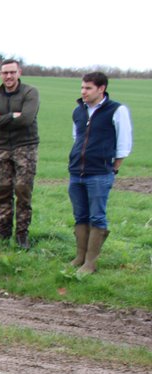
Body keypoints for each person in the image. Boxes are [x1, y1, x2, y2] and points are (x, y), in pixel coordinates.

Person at [68, 71, 133, 275]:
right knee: (80, 215)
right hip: (77, 171)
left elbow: (123, 143)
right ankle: (80, 256)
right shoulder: (78, 111)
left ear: (101, 88)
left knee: (97, 217)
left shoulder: (116, 110)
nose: (83, 92)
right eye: (82, 87)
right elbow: (76, 138)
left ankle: (90, 262)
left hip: (100, 172)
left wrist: (113, 169)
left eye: (88, 88)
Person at [0, 59, 40, 249]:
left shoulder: (30, 93)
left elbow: (26, 119)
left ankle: (22, 235)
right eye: (5, 73)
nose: (8, 76)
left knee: (23, 191)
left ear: (19, 73)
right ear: (0, 74)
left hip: (26, 147)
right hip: (3, 148)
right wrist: (10, 117)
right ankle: (3, 233)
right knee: (2, 190)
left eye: (12, 72)